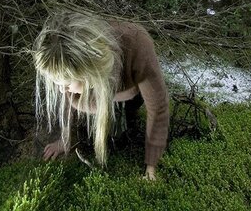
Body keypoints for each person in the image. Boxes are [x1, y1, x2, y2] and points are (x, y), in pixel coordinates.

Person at [33, 11, 169, 180]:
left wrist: (151, 166)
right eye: (58, 84)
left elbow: (158, 107)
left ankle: (127, 114)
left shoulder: (139, 46)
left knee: (126, 124)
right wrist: (64, 140)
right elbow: (67, 96)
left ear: (90, 75)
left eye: (66, 84)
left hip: (131, 90)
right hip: (96, 89)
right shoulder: (69, 63)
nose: (61, 90)